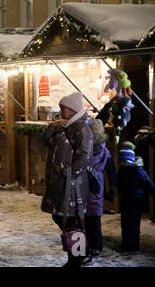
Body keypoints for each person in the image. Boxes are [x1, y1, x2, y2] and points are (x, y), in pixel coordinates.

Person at [41, 92, 93, 267]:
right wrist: (53, 127)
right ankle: (80, 254)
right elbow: (46, 142)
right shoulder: (66, 125)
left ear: (72, 109)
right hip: (61, 182)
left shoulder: (82, 128)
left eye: (64, 108)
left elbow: (85, 155)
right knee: (62, 218)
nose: (61, 111)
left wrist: (69, 172)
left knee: (69, 220)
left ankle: (78, 257)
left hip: (72, 184)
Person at [82, 119, 117, 266]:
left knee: (84, 217)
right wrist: (113, 187)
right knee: (94, 217)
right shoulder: (105, 152)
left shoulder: (84, 149)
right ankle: (96, 245)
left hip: (83, 185)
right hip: (97, 187)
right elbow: (111, 171)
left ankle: (88, 245)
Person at [117, 143, 155, 253]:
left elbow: (148, 183)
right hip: (125, 200)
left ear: (128, 161)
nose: (120, 163)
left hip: (136, 201)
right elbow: (119, 184)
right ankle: (125, 244)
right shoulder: (122, 171)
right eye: (120, 161)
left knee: (133, 225)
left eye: (122, 161)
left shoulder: (139, 171)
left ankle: (133, 247)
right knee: (125, 224)